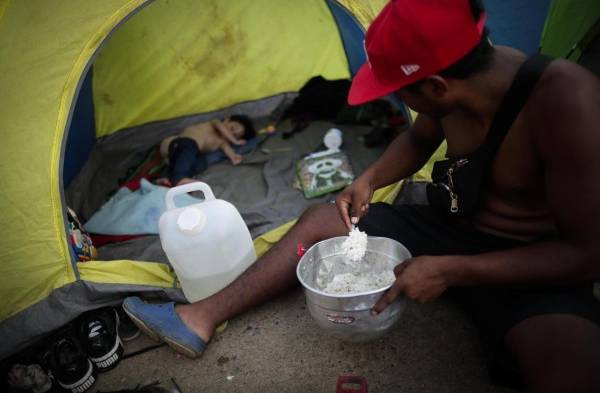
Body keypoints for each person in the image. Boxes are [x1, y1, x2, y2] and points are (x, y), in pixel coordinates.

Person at [123, 0, 600, 391]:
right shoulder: (455, 84)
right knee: (323, 220)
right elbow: (419, 138)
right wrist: (369, 178)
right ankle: (198, 317)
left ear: (434, 85)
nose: (397, 101)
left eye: (400, 93)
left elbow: (587, 254)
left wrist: (452, 270)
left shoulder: (569, 103)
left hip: (529, 267)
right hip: (454, 225)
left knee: (572, 371)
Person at [158, 114, 256, 186]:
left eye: (235, 135)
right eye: (232, 128)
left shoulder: (221, 142)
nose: (231, 133)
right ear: (227, 120)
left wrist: (234, 157)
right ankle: (179, 179)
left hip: (179, 157)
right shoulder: (213, 122)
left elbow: (227, 149)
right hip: (177, 144)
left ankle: (165, 179)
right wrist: (235, 141)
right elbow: (220, 127)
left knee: (199, 163)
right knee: (189, 148)